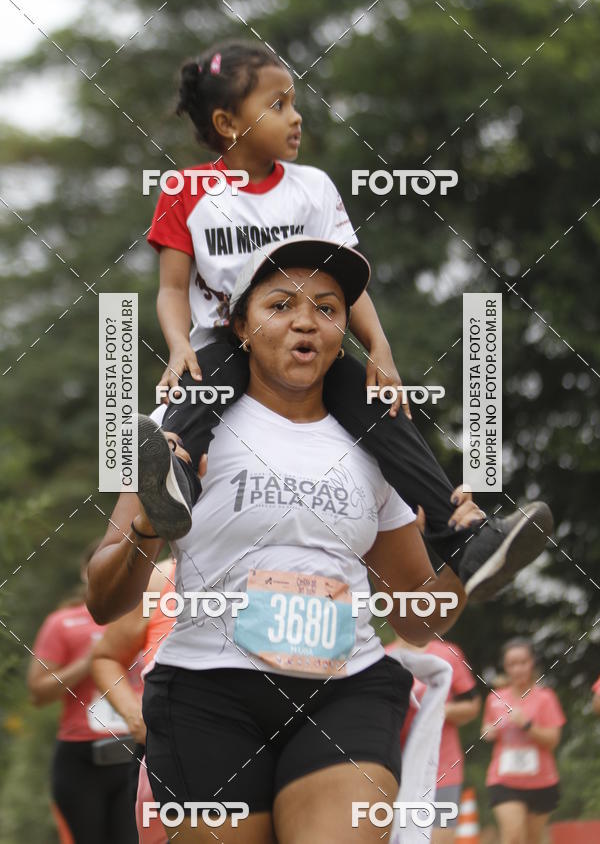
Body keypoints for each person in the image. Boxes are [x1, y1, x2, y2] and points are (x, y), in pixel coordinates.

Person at [87, 237, 485, 843]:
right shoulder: (179, 428)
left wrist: (465, 565)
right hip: (206, 693)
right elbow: (103, 600)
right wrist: (148, 524)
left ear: (344, 328)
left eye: (328, 308)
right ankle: (169, 510)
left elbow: (416, 620)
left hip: (346, 690)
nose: (307, 320)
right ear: (240, 324)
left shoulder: (375, 444)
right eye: (280, 304)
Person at [145, 38, 553, 603]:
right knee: (201, 388)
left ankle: (464, 536)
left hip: (309, 337)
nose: (296, 116)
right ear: (227, 121)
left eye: (294, 101)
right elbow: (170, 288)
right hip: (227, 336)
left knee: (382, 413)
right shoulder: (184, 191)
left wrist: (379, 350)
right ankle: (175, 483)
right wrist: (176, 345)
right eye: (278, 104)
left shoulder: (311, 187)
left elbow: (349, 284)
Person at [29, 543, 139, 844]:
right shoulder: (62, 622)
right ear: (85, 573)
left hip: (136, 752)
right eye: (100, 568)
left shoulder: (150, 615)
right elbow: (37, 693)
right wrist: (88, 663)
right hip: (81, 758)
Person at [91, 557, 175, 844]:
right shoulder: (162, 577)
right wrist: (134, 716)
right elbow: (107, 657)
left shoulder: (285, 568)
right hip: (165, 752)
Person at [386, 630, 481, 843]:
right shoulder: (382, 658)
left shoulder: (448, 653)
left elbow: (473, 705)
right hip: (395, 771)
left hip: (443, 767)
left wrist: (437, 709)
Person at [481, 638, 566, 844]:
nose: (518, 668)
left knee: (532, 839)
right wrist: (487, 732)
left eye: (523, 662)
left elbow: (553, 740)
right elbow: (485, 729)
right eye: (512, 664)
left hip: (541, 781)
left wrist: (527, 725)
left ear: (532, 663)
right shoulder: (495, 699)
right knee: (513, 837)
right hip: (504, 780)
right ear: (506, 667)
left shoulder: (545, 698)